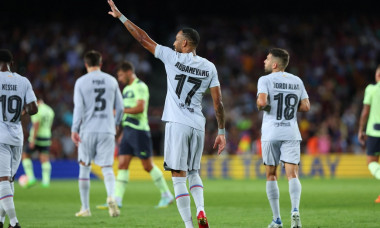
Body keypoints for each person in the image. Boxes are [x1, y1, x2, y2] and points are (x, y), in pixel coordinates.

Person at [107, 1, 226, 227]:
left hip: (177, 123)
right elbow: (218, 103)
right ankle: (201, 209)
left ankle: (190, 225)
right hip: (197, 124)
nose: (172, 43)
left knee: (178, 176)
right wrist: (221, 131)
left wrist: (121, 17)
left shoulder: (173, 58)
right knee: (193, 172)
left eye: (176, 40)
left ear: (185, 43)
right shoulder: (209, 67)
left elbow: (143, 39)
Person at [97, 61, 174, 210]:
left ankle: (166, 195)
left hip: (139, 131)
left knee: (147, 166)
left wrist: (119, 111)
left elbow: (140, 108)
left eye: (120, 75)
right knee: (122, 164)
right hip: (127, 131)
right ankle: (116, 200)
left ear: (128, 72)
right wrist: (118, 132)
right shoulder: (126, 89)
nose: (119, 79)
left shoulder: (140, 86)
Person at [256, 48, 310, 228]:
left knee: (271, 175)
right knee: (292, 174)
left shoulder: (265, 80)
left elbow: (262, 103)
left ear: (274, 64)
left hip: (271, 132)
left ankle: (277, 219)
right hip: (291, 132)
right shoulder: (297, 81)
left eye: (267, 59)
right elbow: (306, 106)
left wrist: (260, 105)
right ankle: (295, 210)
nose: (264, 61)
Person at [71, 50, 124, 218]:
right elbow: (121, 108)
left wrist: (74, 129)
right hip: (107, 129)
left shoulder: (81, 82)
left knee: (84, 168)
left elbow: (78, 108)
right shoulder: (111, 80)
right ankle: (111, 196)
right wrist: (116, 124)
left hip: (87, 130)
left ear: (86, 64)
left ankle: (85, 209)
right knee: (107, 168)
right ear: (101, 64)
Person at [0, 49, 38, 228]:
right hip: (16, 136)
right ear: (12, 63)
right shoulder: (23, 81)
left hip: (0, 136)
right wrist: (22, 111)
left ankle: (14, 223)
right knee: (8, 180)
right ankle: (1, 220)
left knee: (2, 180)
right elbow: (33, 109)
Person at [358, 64, 380, 203]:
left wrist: (361, 129)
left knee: (371, 163)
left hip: (374, 132)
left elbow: (365, 112)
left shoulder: (372, 89)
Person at [21, 98, 55, 188]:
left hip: (37, 137)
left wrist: (32, 140)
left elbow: (36, 124)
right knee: (44, 159)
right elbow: (50, 125)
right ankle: (46, 182)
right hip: (46, 136)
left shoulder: (36, 109)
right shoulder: (50, 110)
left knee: (25, 155)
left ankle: (31, 178)